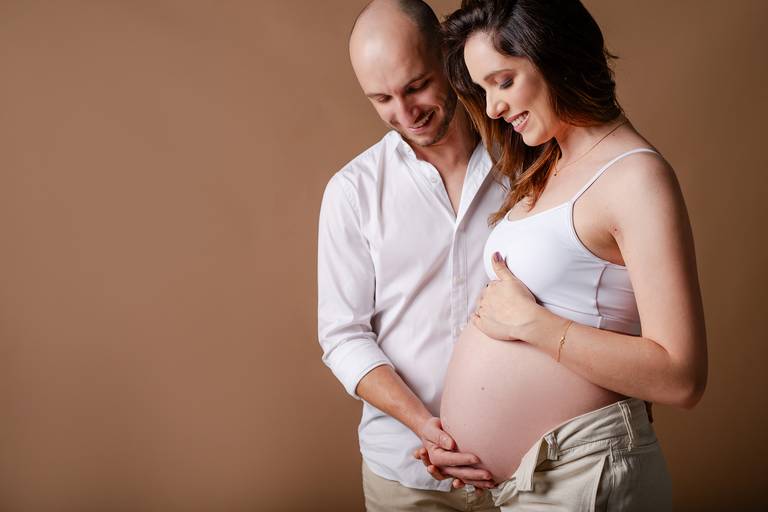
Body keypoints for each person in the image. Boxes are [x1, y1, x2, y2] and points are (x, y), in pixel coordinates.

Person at [416, 0, 708, 510]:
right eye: (483, 89)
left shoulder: (635, 177)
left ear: (554, 55)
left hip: (588, 478)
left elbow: (681, 376)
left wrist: (532, 325)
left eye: (503, 82)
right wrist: (459, 438)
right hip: (534, 484)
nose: (492, 108)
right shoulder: (547, 165)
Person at [317, 0, 507, 510]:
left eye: (416, 86)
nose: (405, 114)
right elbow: (343, 336)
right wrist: (425, 426)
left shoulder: (527, 160)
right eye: (381, 98)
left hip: (529, 468)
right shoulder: (352, 192)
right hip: (406, 476)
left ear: (449, 56)